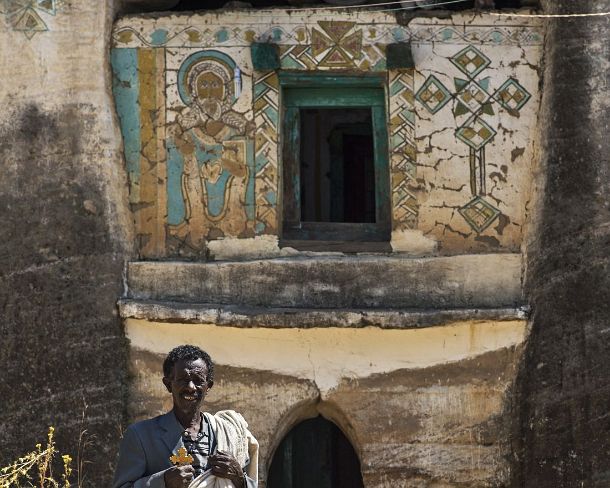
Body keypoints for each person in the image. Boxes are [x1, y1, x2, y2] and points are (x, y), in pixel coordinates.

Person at [113, 345, 258, 488]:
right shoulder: (141, 435)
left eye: (198, 380)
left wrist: (240, 478)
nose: (191, 387)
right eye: (183, 379)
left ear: (208, 386)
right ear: (168, 384)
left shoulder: (228, 433)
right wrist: (163, 481)